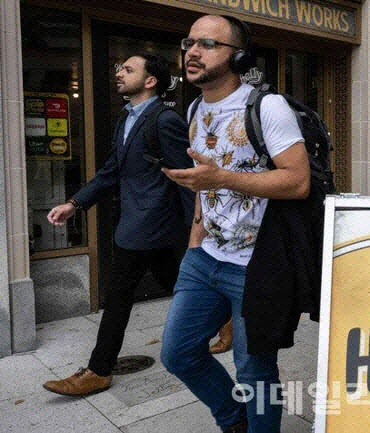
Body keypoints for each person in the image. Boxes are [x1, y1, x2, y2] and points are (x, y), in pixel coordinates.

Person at [160, 15, 310, 433]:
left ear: (239, 56)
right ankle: (234, 421)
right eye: (190, 42)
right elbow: (203, 180)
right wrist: (196, 235)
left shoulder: (267, 107)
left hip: (257, 266)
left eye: (208, 44)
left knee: (254, 370)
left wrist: (222, 179)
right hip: (204, 259)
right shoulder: (194, 107)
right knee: (178, 354)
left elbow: (298, 181)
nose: (193, 51)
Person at [43, 53, 195, 397]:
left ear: (150, 81)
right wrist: (74, 204)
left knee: (117, 297)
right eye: (120, 69)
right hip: (137, 222)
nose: (119, 74)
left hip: (151, 223)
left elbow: (186, 179)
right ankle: (225, 319)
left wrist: (195, 231)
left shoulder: (165, 120)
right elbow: (112, 170)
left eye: (128, 69)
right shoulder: (126, 116)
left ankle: (99, 370)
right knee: (176, 283)